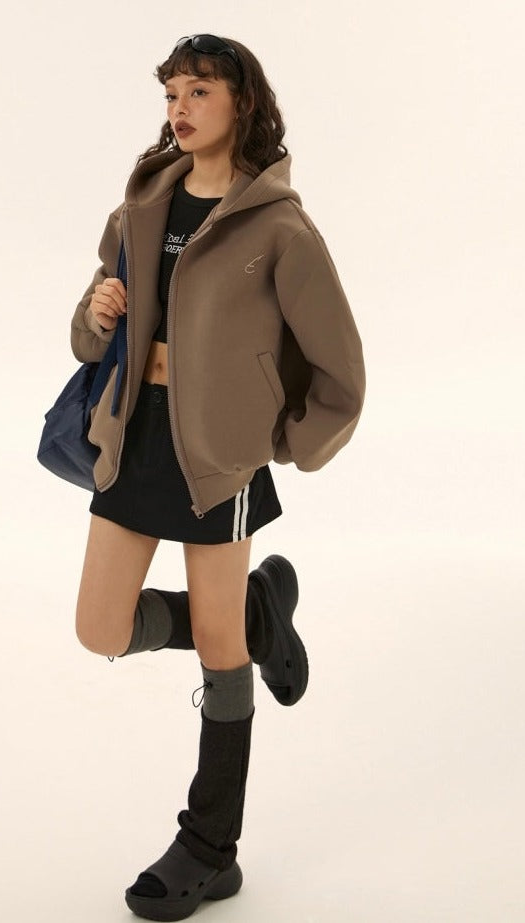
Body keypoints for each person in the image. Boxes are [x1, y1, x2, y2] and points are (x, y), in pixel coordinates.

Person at [69, 34, 365, 921]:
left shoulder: (279, 227)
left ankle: (210, 846)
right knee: (99, 627)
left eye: (199, 91)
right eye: (171, 94)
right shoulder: (142, 203)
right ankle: (260, 612)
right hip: (135, 436)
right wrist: (96, 313)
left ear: (244, 102)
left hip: (219, 457)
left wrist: (275, 441)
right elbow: (87, 338)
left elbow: (341, 370)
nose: (180, 109)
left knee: (217, 644)